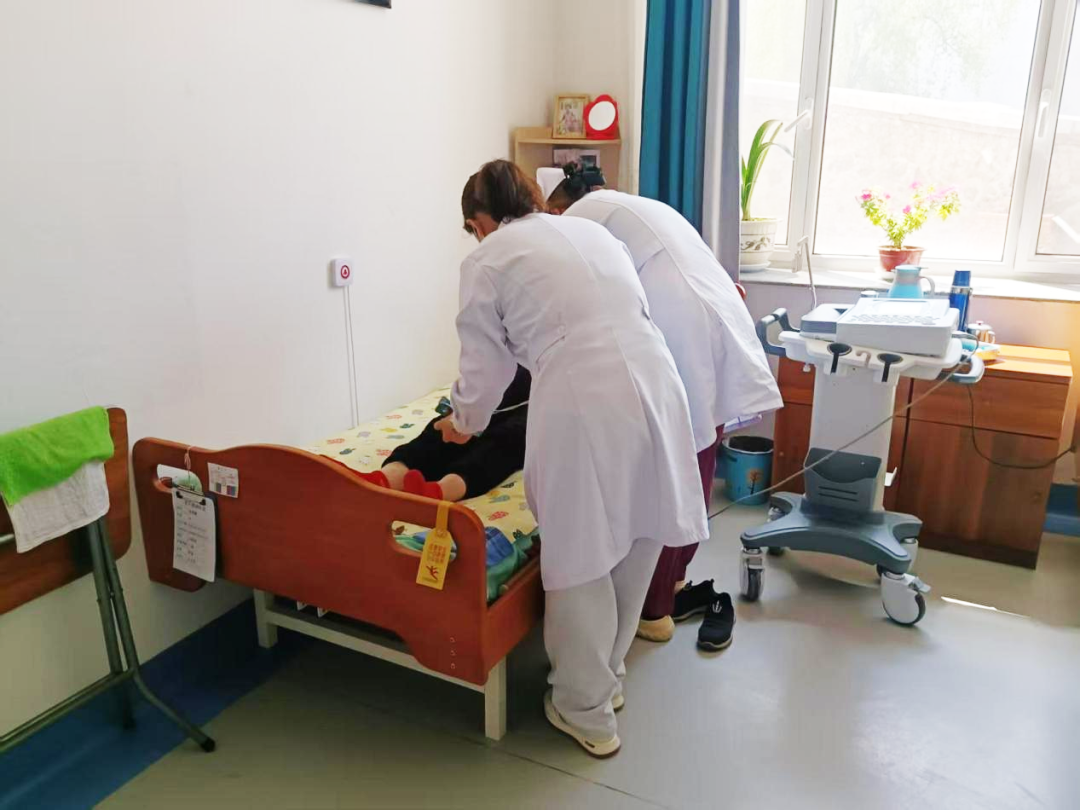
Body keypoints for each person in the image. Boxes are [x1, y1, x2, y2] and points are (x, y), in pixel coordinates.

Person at [440, 159, 707, 757]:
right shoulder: (589, 231)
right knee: (640, 531)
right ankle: (606, 678)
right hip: (655, 378)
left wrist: (462, 422)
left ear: (480, 220)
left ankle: (584, 710)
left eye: (473, 227)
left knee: (582, 550)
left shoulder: (487, 258)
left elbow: (485, 369)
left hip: (584, 394)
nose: (476, 237)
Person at [542, 163, 783, 651]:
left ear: (558, 208)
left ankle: (654, 607)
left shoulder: (579, 222)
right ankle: (671, 582)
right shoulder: (633, 205)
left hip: (677, 326)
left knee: (672, 469)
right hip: (714, 310)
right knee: (698, 454)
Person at [349, 366, 530, 501]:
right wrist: (459, 414)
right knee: (443, 429)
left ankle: (440, 491)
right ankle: (385, 479)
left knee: (506, 440)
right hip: (508, 382)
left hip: (536, 406)